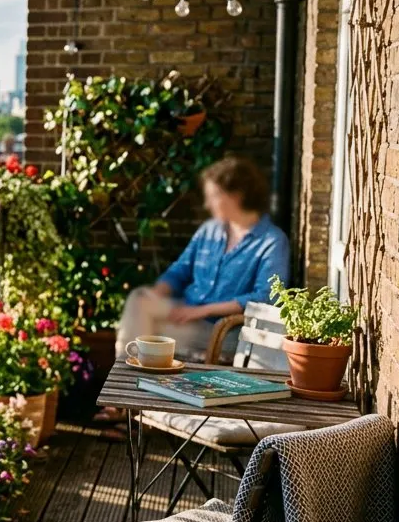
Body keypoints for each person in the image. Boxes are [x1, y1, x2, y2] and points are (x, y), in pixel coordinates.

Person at [96, 156, 291, 427]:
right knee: (140, 301)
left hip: (223, 330)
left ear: (235, 196)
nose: (207, 204)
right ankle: (128, 401)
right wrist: (158, 292)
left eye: (213, 196)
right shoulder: (210, 231)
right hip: (187, 314)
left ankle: (123, 403)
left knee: (144, 338)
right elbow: (180, 270)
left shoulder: (272, 242)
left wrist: (203, 310)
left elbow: (265, 298)